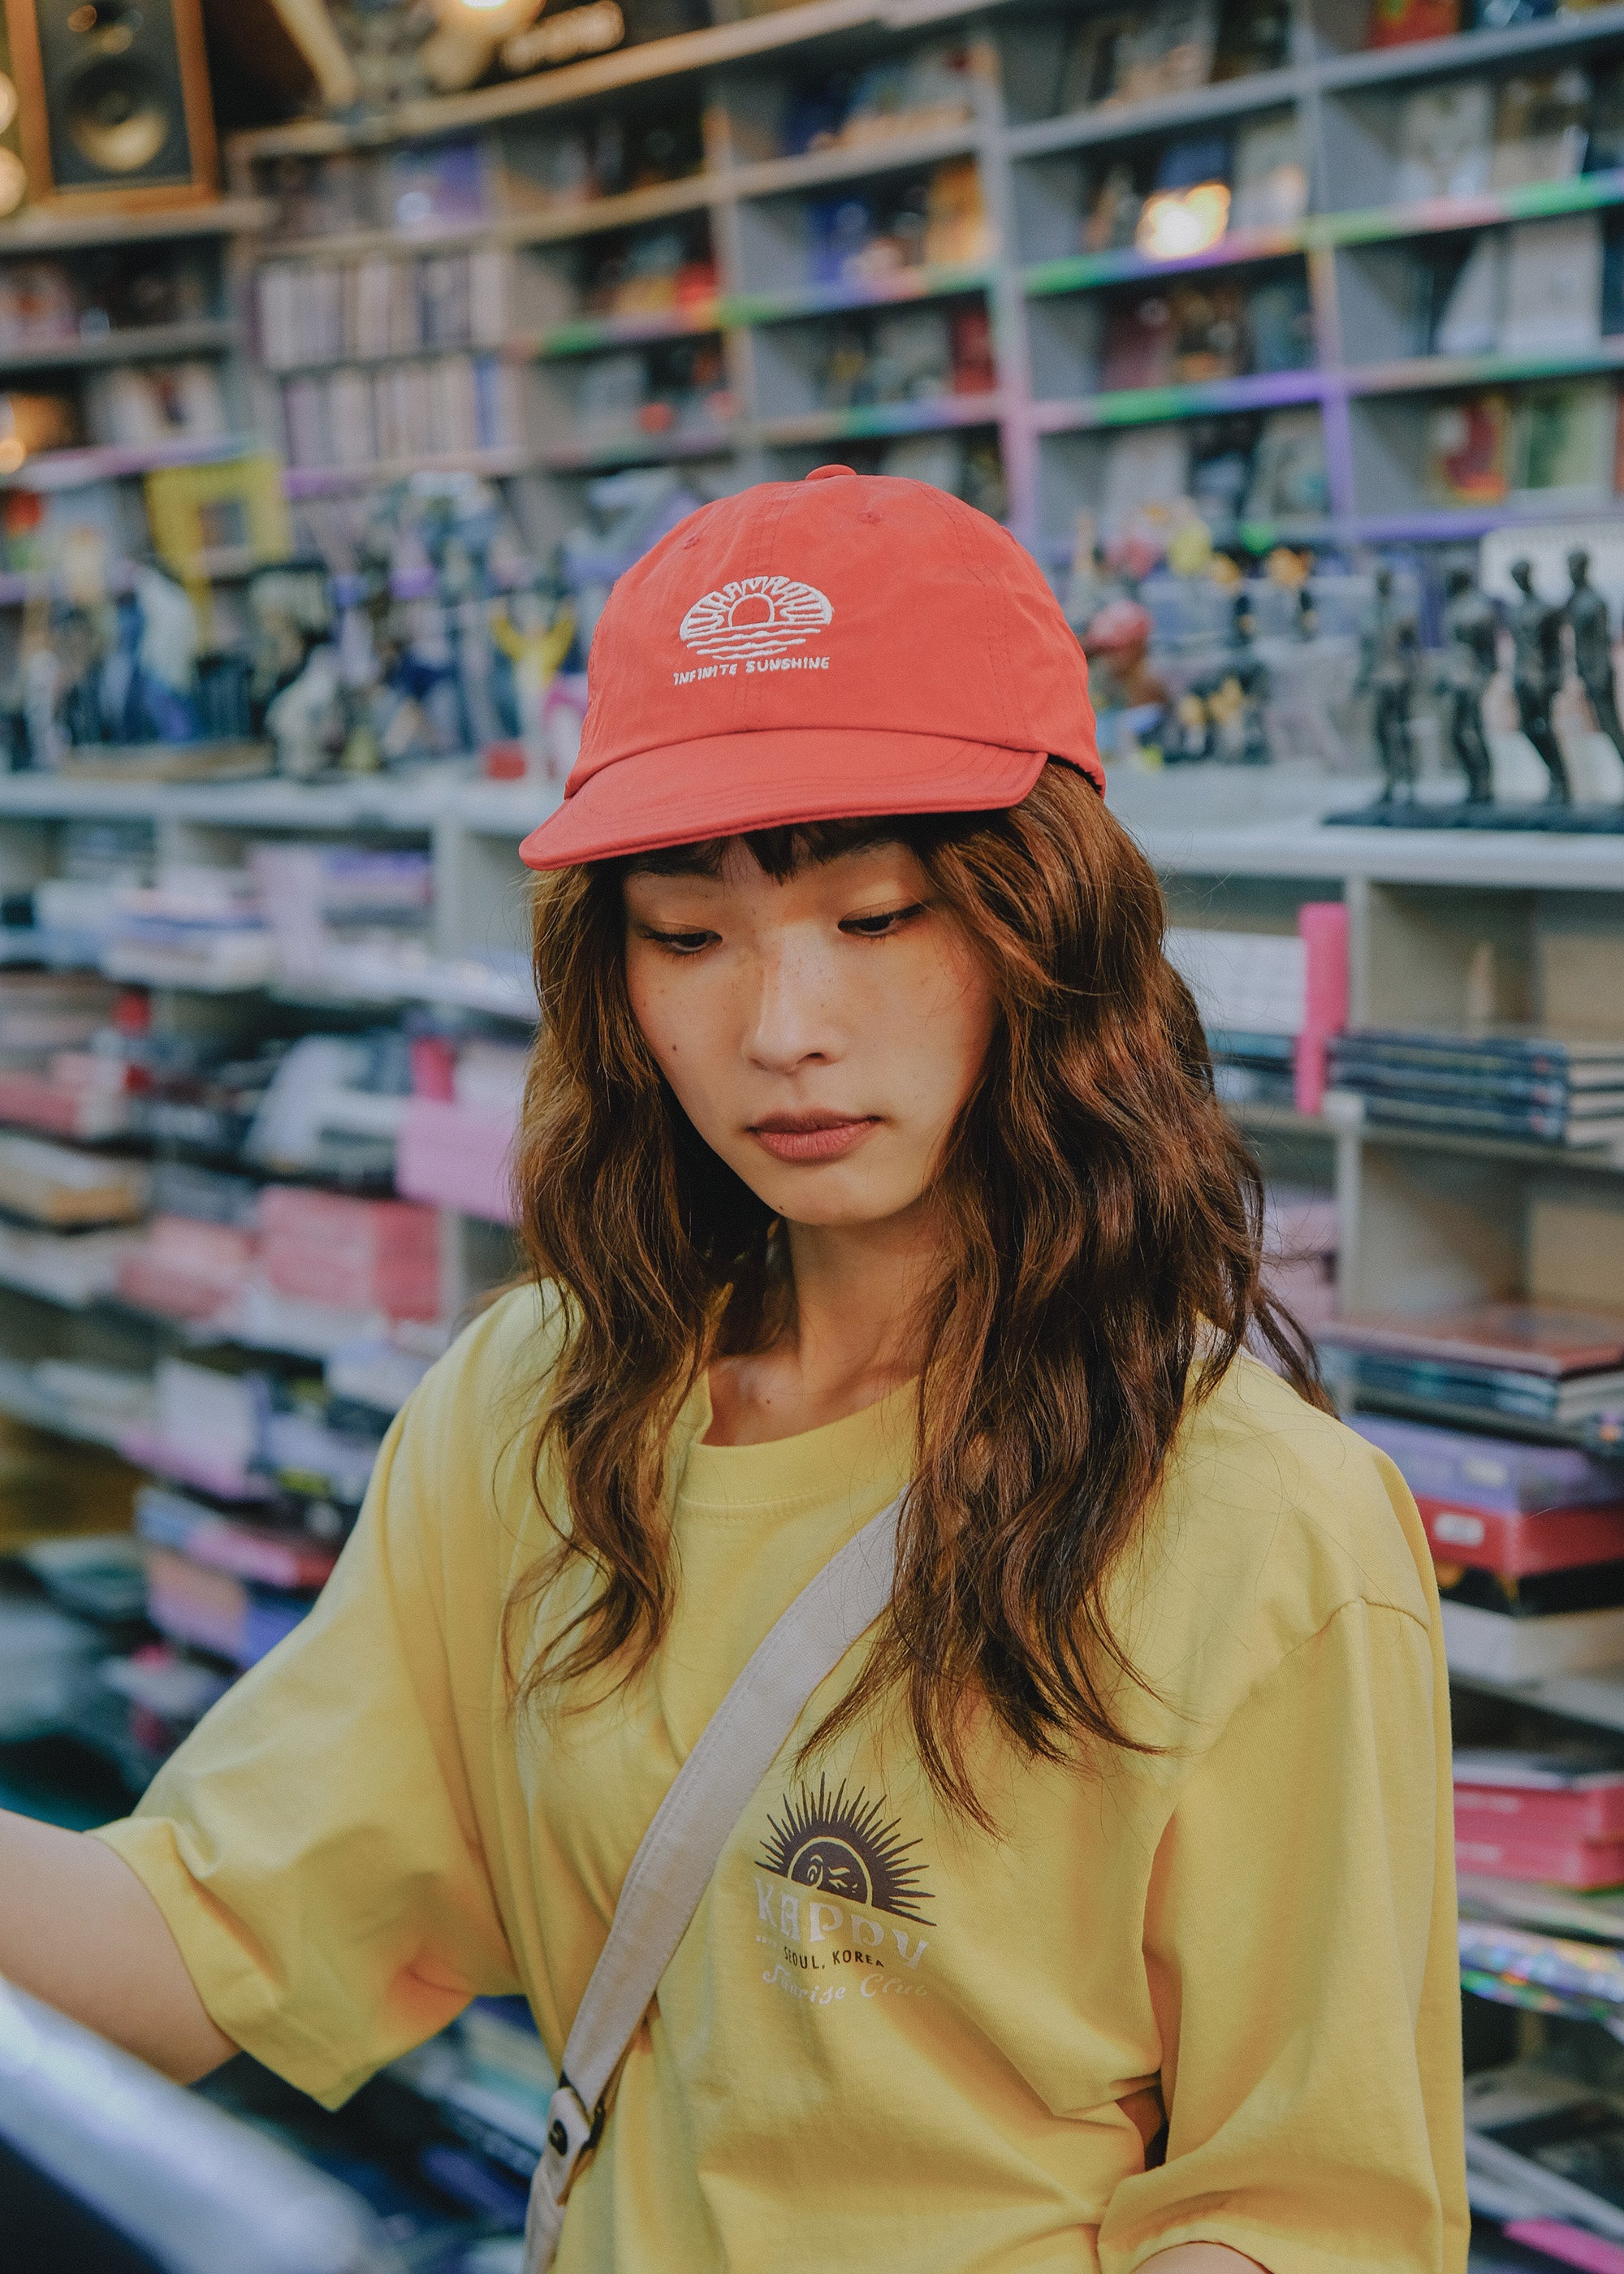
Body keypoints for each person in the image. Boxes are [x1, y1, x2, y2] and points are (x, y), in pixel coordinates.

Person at [0, 469, 1466, 2274]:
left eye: (875, 919)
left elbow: (1295, 2210)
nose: (780, 1029)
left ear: (1046, 931)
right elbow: (194, 1939)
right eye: (686, 936)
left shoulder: (1267, 1525)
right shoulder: (538, 1406)